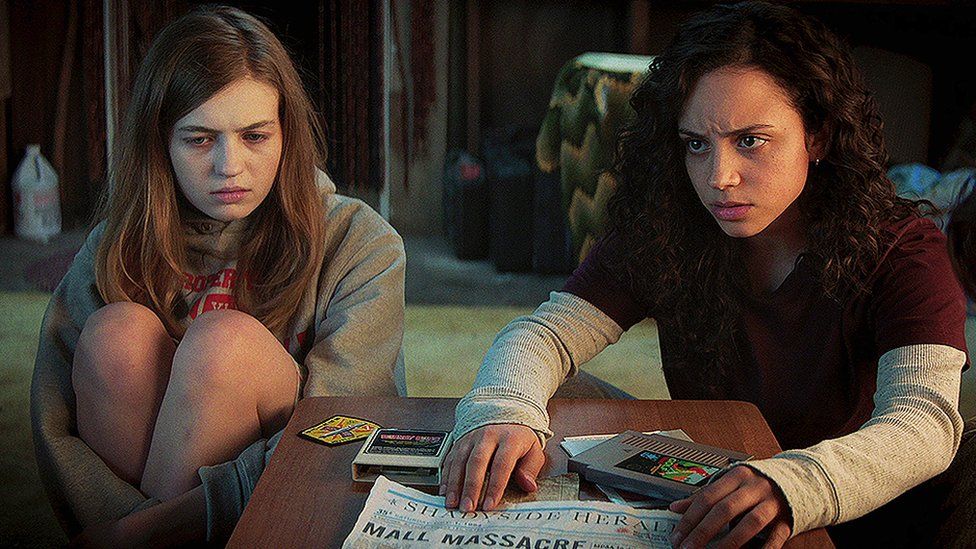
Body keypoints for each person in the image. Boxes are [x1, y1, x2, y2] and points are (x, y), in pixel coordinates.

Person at [443, 2, 970, 547]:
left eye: (750, 140)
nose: (719, 177)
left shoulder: (903, 249)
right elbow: (545, 334)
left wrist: (792, 483)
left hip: (843, 517)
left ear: (817, 135)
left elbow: (924, 422)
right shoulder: (671, 228)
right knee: (540, 397)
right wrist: (503, 411)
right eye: (696, 143)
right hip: (701, 496)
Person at [30, 6, 405, 546]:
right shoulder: (117, 243)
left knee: (221, 343)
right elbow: (56, 428)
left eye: (254, 136)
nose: (230, 166)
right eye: (199, 139)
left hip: (289, 503)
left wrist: (150, 530)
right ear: (161, 143)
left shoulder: (361, 242)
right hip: (136, 518)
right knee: (116, 336)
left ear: (286, 135)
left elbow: (341, 431)